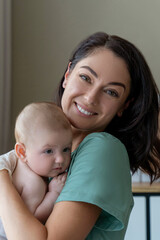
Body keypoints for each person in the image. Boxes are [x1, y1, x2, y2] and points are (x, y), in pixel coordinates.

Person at [0, 32, 160, 240]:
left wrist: (2, 175)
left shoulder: (103, 148)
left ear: (124, 105)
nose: (90, 97)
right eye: (85, 78)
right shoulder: (49, 157)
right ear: (68, 75)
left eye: (111, 92)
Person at [0, 102, 72, 239]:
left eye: (66, 149)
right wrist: (53, 193)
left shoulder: (17, 162)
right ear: (22, 152)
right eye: (49, 151)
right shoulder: (34, 183)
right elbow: (32, 219)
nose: (60, 159)